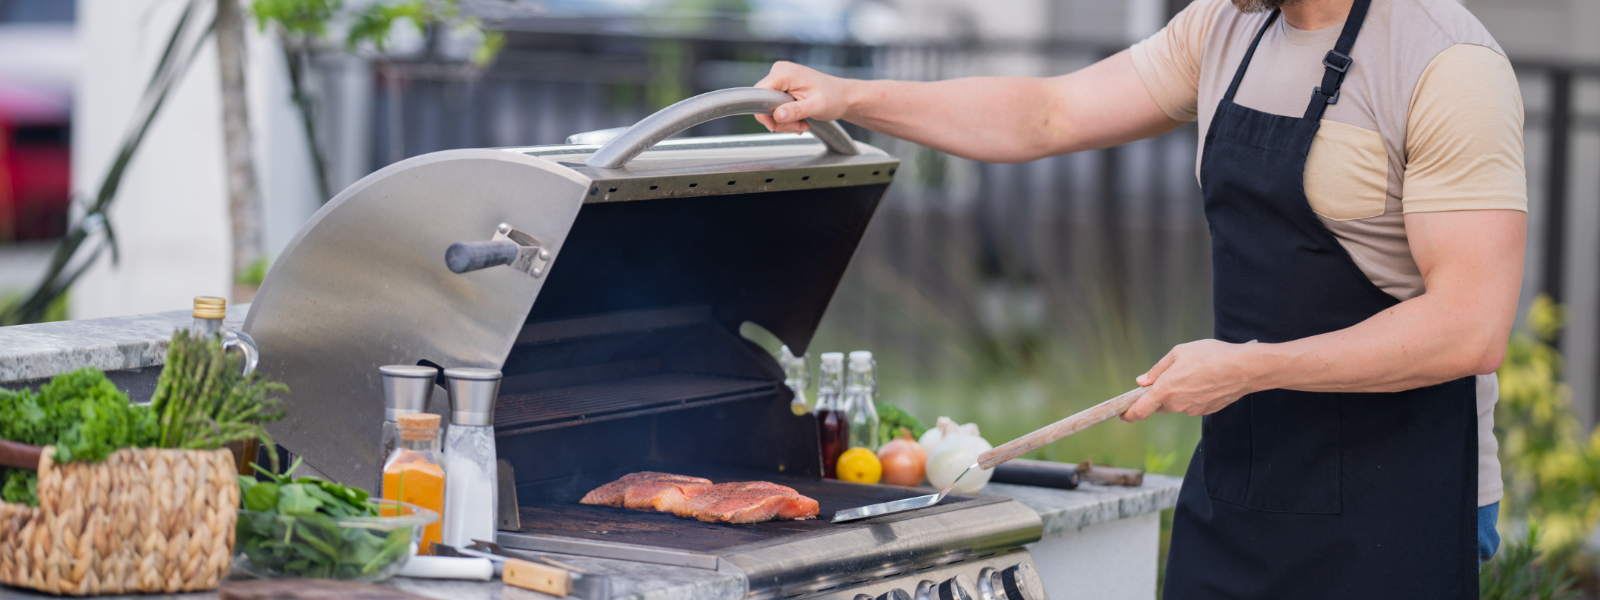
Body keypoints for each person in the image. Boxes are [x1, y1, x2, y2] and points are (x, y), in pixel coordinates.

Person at [753, 0, 1525, 596]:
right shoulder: (1226, 29)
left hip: (1395, 496)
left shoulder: (1444, 63)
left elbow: (1470, 326)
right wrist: (851, 96)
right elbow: (1047, 113)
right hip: (1245, 475)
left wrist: (1253, 367)